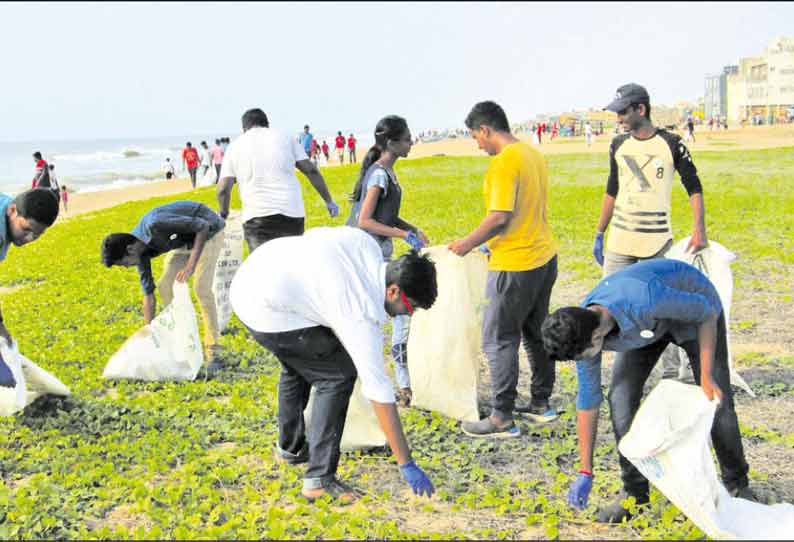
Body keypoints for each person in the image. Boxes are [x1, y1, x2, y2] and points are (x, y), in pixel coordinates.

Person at [229, 226, 438, 503]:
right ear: (393, 290)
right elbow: (379, 392)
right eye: (409, 308)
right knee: (337, 375)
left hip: (261, 272)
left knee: (301, 360)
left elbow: (316, 236)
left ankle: (289, 448)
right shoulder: (357, 310)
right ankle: (318, 479)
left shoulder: (366, 245)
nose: (405, 315)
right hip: (263, 306)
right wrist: (406, 462)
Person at [541, 259, 755, 524]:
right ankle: (634, 494)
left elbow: (707, 313)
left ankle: (738, 484)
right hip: (646, 327)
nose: (583, 361)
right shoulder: (581, 328)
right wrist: (585, 470)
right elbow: (588, 401)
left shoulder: (645, 299)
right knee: (620, 397)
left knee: (716, 398)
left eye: (582, 356)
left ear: (597, 337)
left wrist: (706, 376)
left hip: (694, 313)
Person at [449, 101, 559, 437]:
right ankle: (541, 404)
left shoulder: (503, 163)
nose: (477, 144)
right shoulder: (531, 154)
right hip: (544, 256)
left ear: (486, 129)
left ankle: (501, 417)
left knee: (498, 339)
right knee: (536, 334)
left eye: (475, 137)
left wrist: (466, 243)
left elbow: (500, 216)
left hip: (515, 263)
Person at [347, 115, 430, 407]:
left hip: (378, 255)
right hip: (366, 258)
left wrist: (411, 229)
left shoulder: (386, 173)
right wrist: (402, 235)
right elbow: (364, 220)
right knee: (393, 316)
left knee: (399, 316)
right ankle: (394, 387)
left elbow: (386, 215)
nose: (411, 142)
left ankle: (404, 386)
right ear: (392, 143)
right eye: (407, 138)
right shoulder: (380, 174)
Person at [593, 84, 707, 278]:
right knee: (610, 302)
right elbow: (612, 190)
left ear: (641, 109)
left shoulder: (672, 144)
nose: (618, 118)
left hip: (656, 243)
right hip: (619, 242)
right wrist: (599, 232)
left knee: (654, 305)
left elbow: (694, 188)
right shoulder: (618, 144)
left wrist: (700, 229)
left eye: (623, 112)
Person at [100, 201, 227, 374]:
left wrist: (190, 265)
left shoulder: (155, 223)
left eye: (123, 263)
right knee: (165, 285)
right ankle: (184, 339)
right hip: (185, 240)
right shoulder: (140, 254)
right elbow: (149, 296)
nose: (126, 267)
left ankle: (214, 352)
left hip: (209, 231)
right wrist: (149, 334)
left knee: (201, 288)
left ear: (130, 249)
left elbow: (202, 227)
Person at [216, 108, 339, 253]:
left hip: (256, 218)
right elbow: (310, 170)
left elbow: (223, 189)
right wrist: (329, 201)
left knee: (264, 269)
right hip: (291, 213)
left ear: (244, 128)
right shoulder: (285, 137)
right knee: (292, 265)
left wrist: (223, 214)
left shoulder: (235, 146)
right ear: (267, 124)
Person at [0, 189, 60, 352]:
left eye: (37, 234)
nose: (29, 239)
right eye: (26, 229)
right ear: (12, 211)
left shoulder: (11, 206)